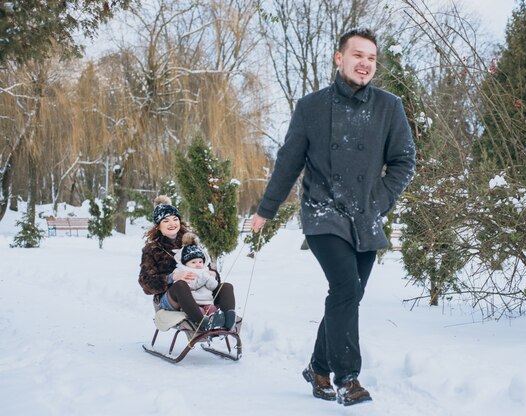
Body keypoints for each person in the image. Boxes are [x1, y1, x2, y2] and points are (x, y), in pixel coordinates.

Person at [250, 28, 416, 406]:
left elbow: (405, 160)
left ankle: (318, 366)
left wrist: (380, 200)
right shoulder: (311, 107)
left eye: (372, 58)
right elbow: (289, 163)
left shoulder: (389, 107)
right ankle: (347, 378)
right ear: (339, 58)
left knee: (349, 295)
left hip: (366, 215)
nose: (365, 63)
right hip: (323, 212)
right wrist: (266, 210)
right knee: (345, 288)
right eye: (358, 55)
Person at [139, 195, 238, 333]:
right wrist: (171, 278)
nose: (172, 223)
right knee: (180, 285)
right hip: (171, 298)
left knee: (226, 287)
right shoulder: (152, 249)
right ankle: (202, 323)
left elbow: (204, 266)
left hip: (202, 294)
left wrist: (213, 274)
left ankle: (228, 323)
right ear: (158, 225)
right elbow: (145, 282)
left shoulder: (191, 242)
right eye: (166, 221)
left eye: (175, 219)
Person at [174, 232, 220, 319]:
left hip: (207, 301)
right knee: (201, 312)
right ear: (185, 264)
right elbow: (190, 286)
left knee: (213, 310)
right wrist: (204, 278)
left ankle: (215, 321)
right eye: (193, 262)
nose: (198, 264)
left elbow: (213, 286)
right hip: (193, 303)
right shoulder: (182, 272)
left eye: (200, 262)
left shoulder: (205, 271)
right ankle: (203, 322)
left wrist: (210, 278)